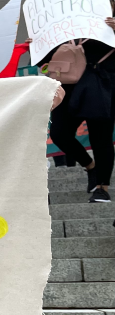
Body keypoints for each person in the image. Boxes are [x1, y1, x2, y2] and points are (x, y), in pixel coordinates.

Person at [46, 34, 115, 203]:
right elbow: (46, 60)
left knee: (101, 137)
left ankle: (102, 187)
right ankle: (91, 166)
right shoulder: (63, 27)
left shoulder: (108, 26)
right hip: (68, 87)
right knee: (59, 133)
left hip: (100, 84)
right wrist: (40, 43)